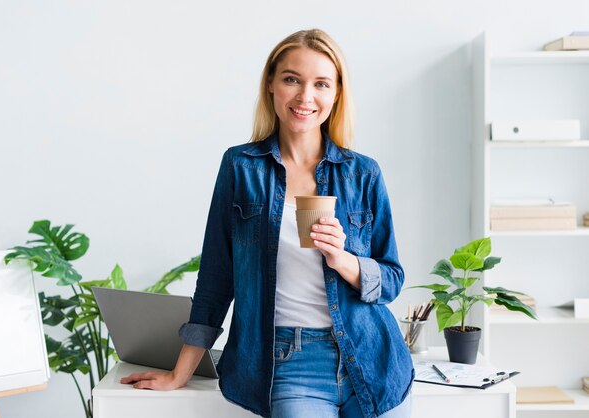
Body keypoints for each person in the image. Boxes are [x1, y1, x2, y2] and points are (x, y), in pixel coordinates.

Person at [121, 28, 413, 418]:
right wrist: (180, 372)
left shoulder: (363, 173)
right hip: (289, 363)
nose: (305, 96)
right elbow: (215, 278)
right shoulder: (241, 168)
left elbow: (391, 278)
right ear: (272, 85)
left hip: (372, 359)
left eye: (321, 83)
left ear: (337, 93)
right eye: (292, 79)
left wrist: (343, 260)